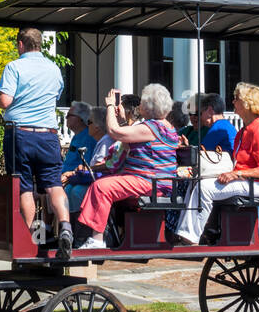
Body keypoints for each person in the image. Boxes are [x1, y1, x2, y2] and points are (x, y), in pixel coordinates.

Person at [0, 27, 72, 260]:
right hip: (48, 135)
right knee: (53, 185)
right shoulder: (53, 69)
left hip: (20, 135)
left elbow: (6, 100)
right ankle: (66, 227)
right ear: (39, 44)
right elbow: (55, 95)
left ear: (21, 44)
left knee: (24, 187)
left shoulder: (14, 67)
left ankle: (30, 239)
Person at [74, 83, 180, 250]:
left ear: (149, 106)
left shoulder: (152, 127)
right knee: (102, 184)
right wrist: (123, 121)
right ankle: (99, 235)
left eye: (143, 102)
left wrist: (109, 106)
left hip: (151, 182)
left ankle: (97, 239)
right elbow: (128, 136)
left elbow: (114, 132)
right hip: (151, 181)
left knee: (102, 187)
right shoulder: (163, 127)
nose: (140, 105)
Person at [173, 82, 259, 245]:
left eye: (236, 99)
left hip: (258, 184)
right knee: (197, 183)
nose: (233, 102)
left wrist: (236, 174)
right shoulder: (244, 130)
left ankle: (191, 237)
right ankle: (184, 233)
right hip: (245, 180)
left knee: (204, 188)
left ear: (247, 104)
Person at [61, 106, 107, 214]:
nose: (87, 125)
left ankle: (81, 227)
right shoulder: (80, 137)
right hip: (82, 177)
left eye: (89, 122)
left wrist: (71, 173)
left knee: (76, 191)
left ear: (97, 126)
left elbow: (100, 166)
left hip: (95, 180)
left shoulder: (99, 140)